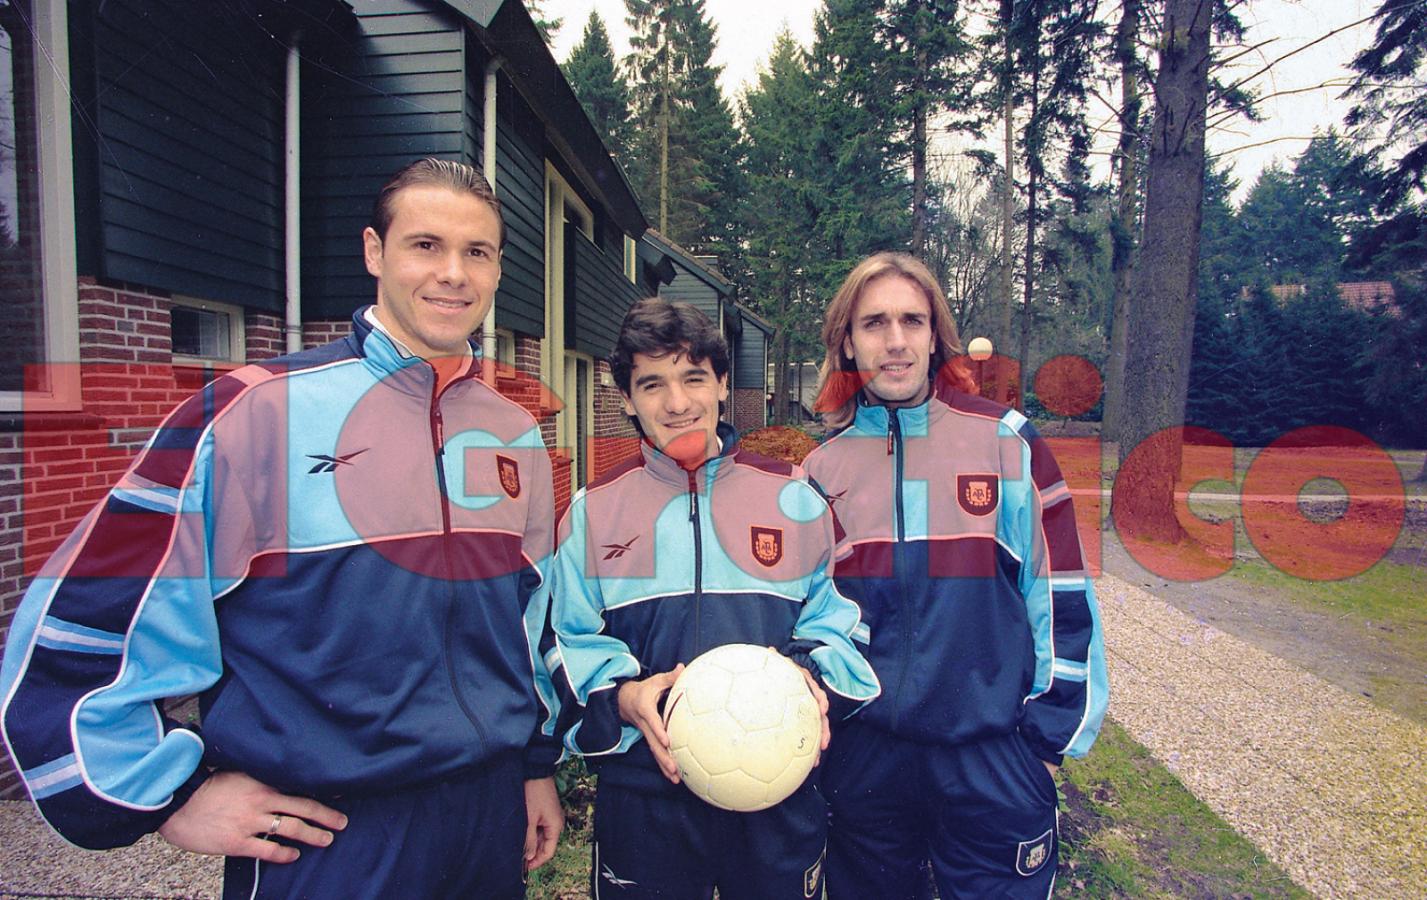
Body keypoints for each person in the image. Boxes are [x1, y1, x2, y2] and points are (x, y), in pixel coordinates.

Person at [0, 158, 563, 899]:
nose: (452, 274)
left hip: (485, 827)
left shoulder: (515, 433)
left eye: (477, 252)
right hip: (328, 839)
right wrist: (165, 794)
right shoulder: (247, 415)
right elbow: (77, 629)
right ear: (373, 251)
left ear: (496, 271)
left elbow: (531, 626)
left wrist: (533, 766)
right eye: (425, 245)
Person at [549, 298, 880, 899]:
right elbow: (562, 642)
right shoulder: (593, 513)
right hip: (646, 801)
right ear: (625, 397)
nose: (677, 403)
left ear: (723, 384)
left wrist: (810, 675)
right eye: (652, 384)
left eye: (694, 378)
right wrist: (622, 698)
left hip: (776, 793)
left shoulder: (795, 499)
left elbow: (843, 622)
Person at [802, 252, 1109, 898]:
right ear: (846, 342)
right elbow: (804, 622)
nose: (893, 341)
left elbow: (1058, 594)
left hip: (991, 755)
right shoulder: (820, 474)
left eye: (911, 321)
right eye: (873, 323)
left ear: (935, 334)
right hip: (867, 764)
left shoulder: (1005, 443)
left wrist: (1043, 741)